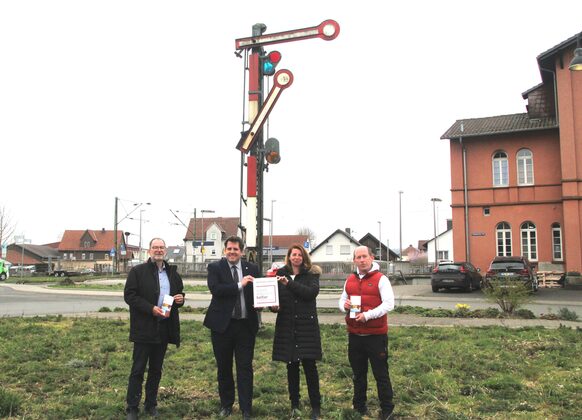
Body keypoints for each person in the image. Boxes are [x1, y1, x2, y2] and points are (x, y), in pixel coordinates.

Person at [124, 238, 185, 420]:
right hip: (144, 328)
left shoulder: (173, 273)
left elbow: (179, 294)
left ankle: (151, 404)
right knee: (138, 369)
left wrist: (181, 299)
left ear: (165, 250)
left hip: (164, 328)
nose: (158, 250)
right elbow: (130, 296)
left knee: (156, 369)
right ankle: (132, 407)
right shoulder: (138, 272)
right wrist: (150, 308)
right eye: (155, 247)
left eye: (161, 247)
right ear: (149, 251)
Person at [204, 236, 260, 420]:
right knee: (224, 367)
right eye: (229, 249)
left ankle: (246, 409)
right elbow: (216, 290)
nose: (232, 252)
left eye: (236, 249)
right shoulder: (215, 268)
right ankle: (226, 405)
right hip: (222, 327)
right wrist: (239, 285)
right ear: (224, 250)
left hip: (245, 326)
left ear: (242, 251)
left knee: (245, 368)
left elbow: (258, 293)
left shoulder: (252, 269)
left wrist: (266, 300)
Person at [338, 246, 395, 420]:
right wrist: (344, 306)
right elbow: (342, 300)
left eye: (365, 256)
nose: (362, 260)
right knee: (358, 374)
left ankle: (387, 410)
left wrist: (368, 316)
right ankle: (359, 407)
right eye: (358, 257)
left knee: (381, 374)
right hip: (355, 335)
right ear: (354, 260)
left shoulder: (381, 279)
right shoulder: (350, 279)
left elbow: (389, 304)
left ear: (371, 257)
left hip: (375, 336)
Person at [270, 245, 322, 420]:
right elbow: (275, 299)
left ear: (304, 257)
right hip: (287, 327)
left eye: (300, 254)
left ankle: (316, 406)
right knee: (291, 368)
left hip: (306, 328)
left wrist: (289, 283)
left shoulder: (311, 275)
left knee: (310, 368)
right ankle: (295, 405)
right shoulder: (280, 275)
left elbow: (309, 294)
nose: (297, 257)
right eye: (294, 254)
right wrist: (273, 307)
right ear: (289, 256)